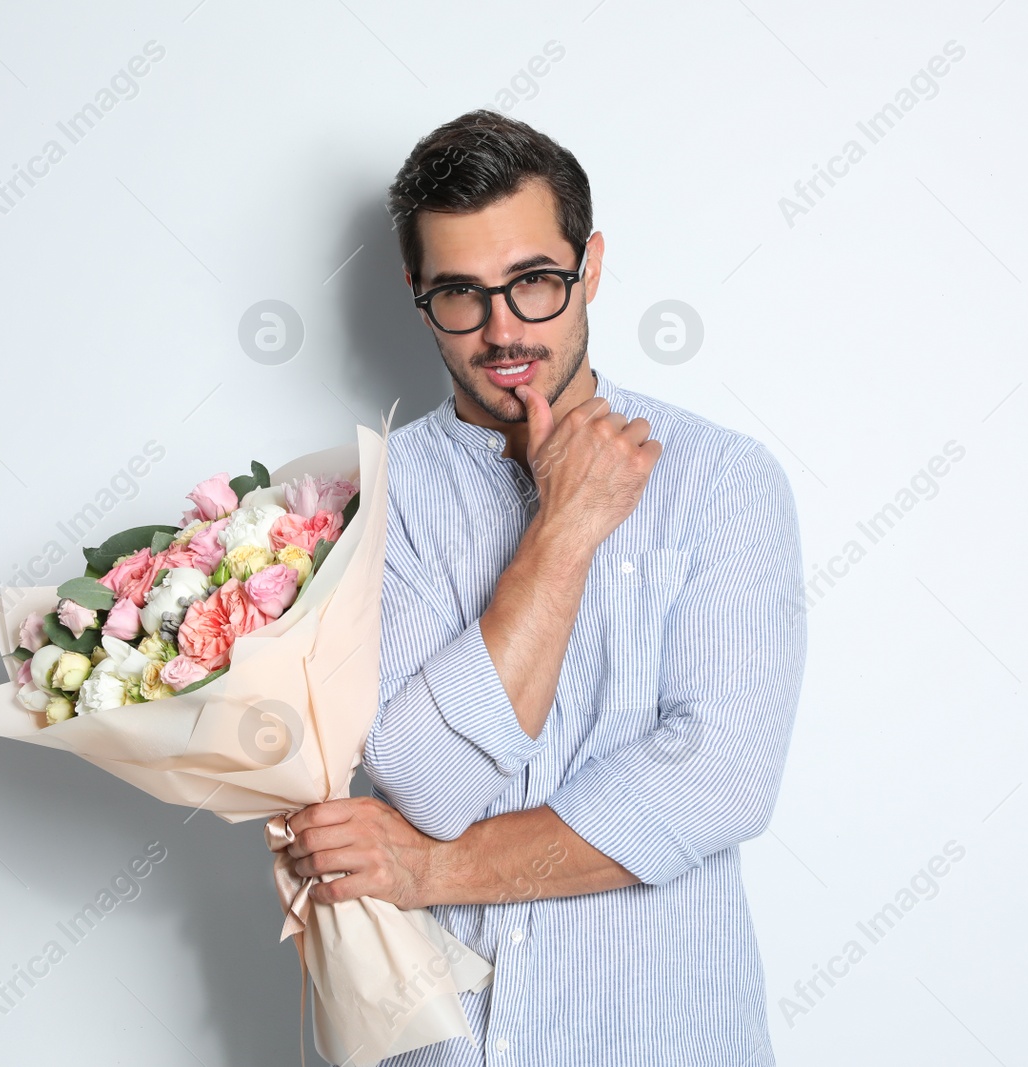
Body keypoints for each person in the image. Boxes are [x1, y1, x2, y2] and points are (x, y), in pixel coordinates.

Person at [285, 108, 807, 1066]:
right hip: (437, 1044)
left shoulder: (723, 481)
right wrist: (564, 534)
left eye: (534, 283)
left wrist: (433, 870)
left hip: (663, 1038)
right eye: (459, 294)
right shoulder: (375, 503)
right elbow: (424, 777)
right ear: (415, 290)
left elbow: (719, 779)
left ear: (590, 266)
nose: (502, 331)